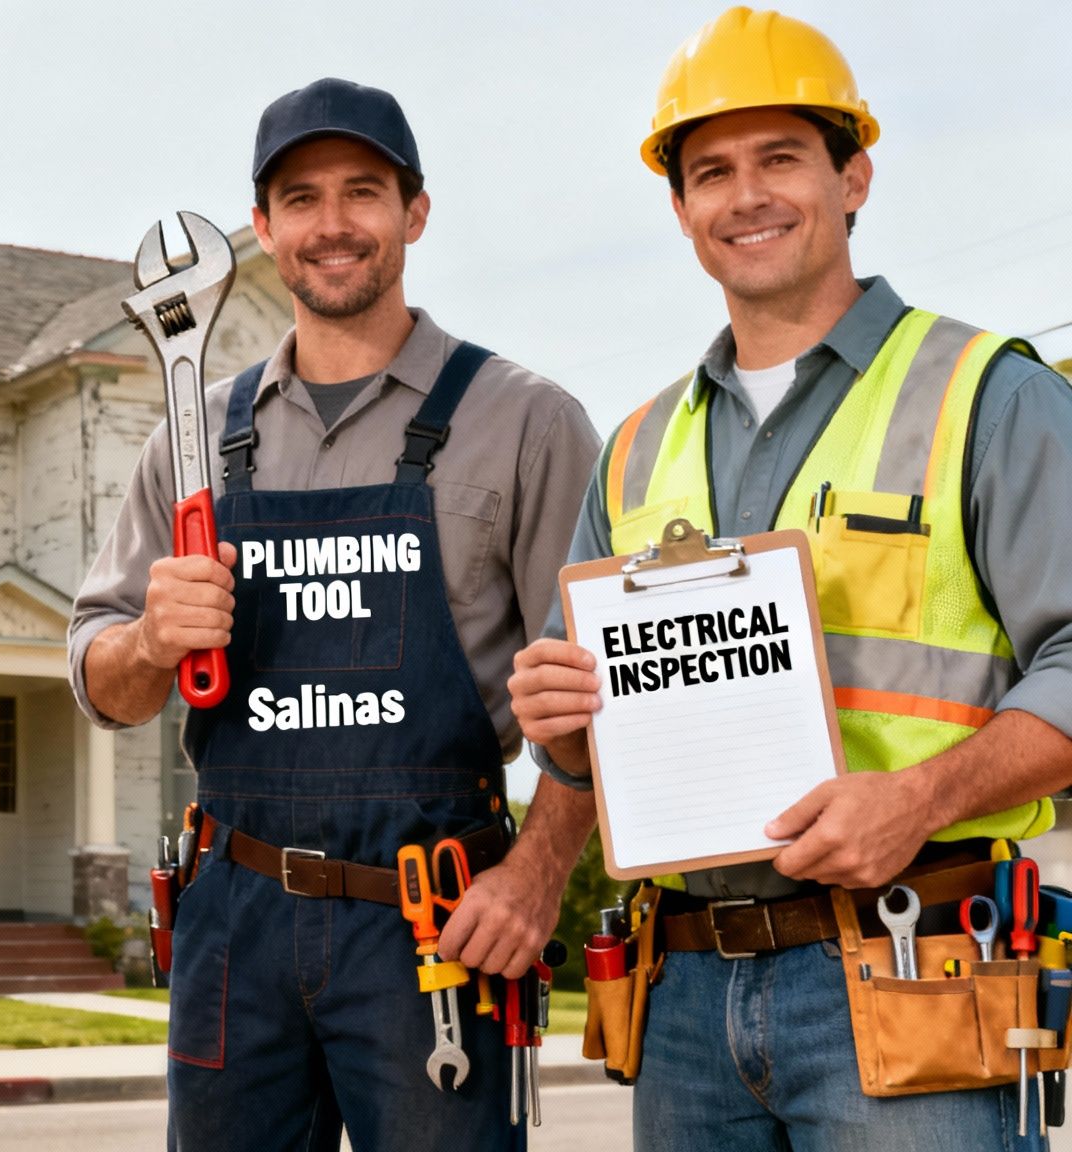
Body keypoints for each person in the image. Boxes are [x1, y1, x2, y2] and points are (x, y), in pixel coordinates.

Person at [508, 8, 1072, 1148]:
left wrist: (918, 797)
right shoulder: (630, 451)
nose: (744, 195)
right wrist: (560, 728)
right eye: (709, 171)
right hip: (681, 999)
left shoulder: (985, 394)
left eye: (780, 159)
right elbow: (589, 748)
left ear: (851, 173)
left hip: (912, 962)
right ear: (679, 211)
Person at [69, 76, 601, 1150]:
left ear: (413, 212)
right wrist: (149, 639)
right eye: (300, 198)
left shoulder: (524, 423)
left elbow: (602, 692)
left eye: (363, 191)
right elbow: (101, 687)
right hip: (234, 916)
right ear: (262, 230)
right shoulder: (189, 440)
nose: (332, 224)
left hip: (433, 921)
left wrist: (537, 875)